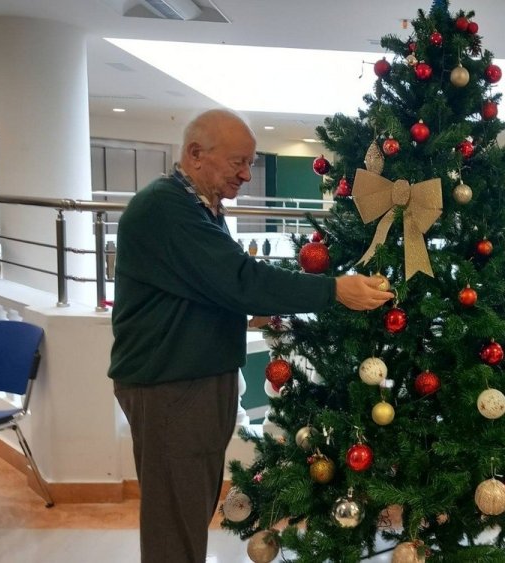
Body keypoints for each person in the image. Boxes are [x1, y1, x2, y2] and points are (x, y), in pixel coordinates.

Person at [108, 109, 394, 563]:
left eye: (250, 164)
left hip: (194, 380)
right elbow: (238, 279)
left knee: (189, 510)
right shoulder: (166, 208)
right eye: (237, 162)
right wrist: (333, 290)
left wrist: (248, 312)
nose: (246, 174)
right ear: (195, 154)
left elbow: (207, 289)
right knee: (174, 521)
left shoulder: (198, 207)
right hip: (172, 387)